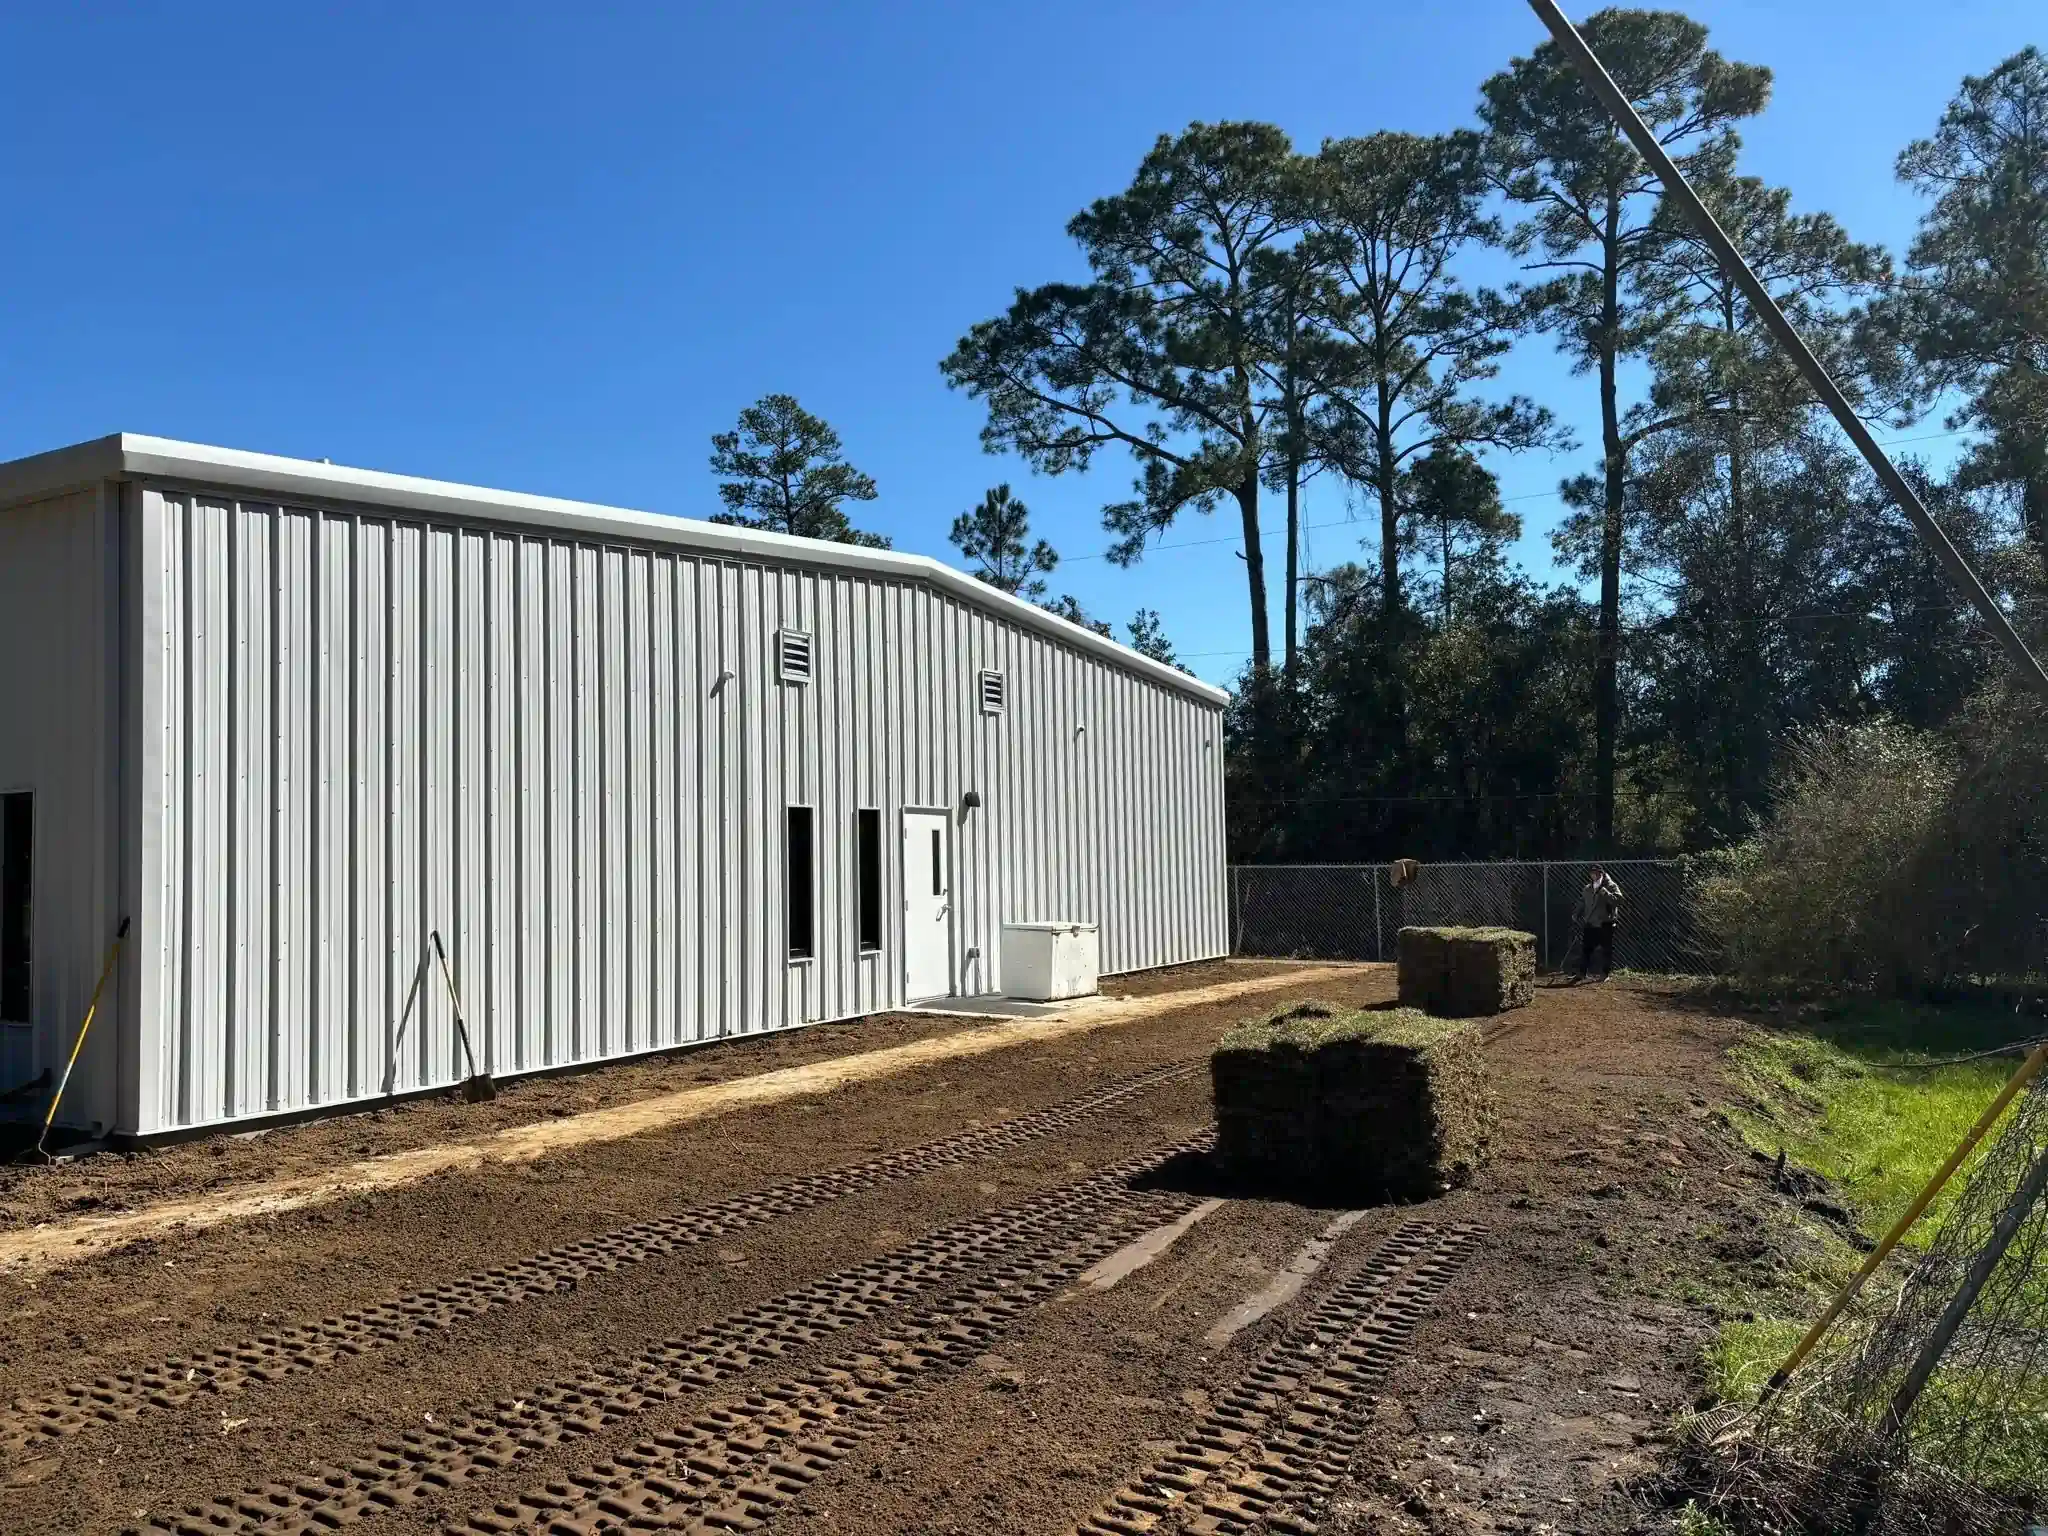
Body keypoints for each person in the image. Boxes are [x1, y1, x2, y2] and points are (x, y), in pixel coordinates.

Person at [1573, 865, 1623, 982]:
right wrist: (1576, 913)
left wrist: (1605, 893)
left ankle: (1605, 974)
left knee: (1606, 950)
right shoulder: (1588, 888)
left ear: (1601, 873)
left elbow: (1618, 900)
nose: (1593, 875)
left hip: (1605, 923)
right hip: (1590, 923)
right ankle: (1582, 973)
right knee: (1586, 949)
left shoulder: (1611, 886)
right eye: (1592, 873)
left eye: (1596, 872)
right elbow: (1582, 901)